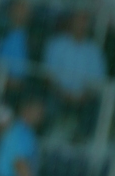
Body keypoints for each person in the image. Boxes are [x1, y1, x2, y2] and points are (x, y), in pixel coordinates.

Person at [42, 10, 106, 143]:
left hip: (84, 98)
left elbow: (98, 82)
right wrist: (63, 93)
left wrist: (84, 96)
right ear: (71, 22)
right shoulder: (56, 44)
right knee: (48, 101)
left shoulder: (94, 51)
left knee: (96, 107)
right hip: (58, 94)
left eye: (84, 21)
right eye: (78, 20)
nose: (81, 25)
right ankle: (45, 138)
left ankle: (79, 143)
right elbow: (48, 75)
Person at [0, 96, 44, 176]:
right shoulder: (21, 133)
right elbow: (19, 164)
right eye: (38, 111)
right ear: (26, 109)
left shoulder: (23, 131)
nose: (41, 116)